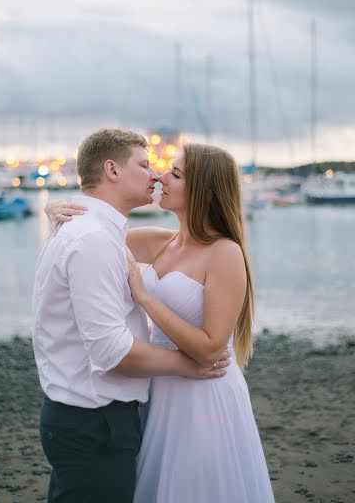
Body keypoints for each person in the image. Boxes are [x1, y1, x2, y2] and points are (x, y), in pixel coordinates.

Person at [48, 141, 275, 503]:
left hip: (204, 393)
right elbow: (91, 241)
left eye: (175, 173)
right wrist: (56, 211)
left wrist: (146, 297)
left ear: (203, 189)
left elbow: (210, 347)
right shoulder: (159, 241)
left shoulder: (225, 253)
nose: (160, 176)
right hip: (159, 388)